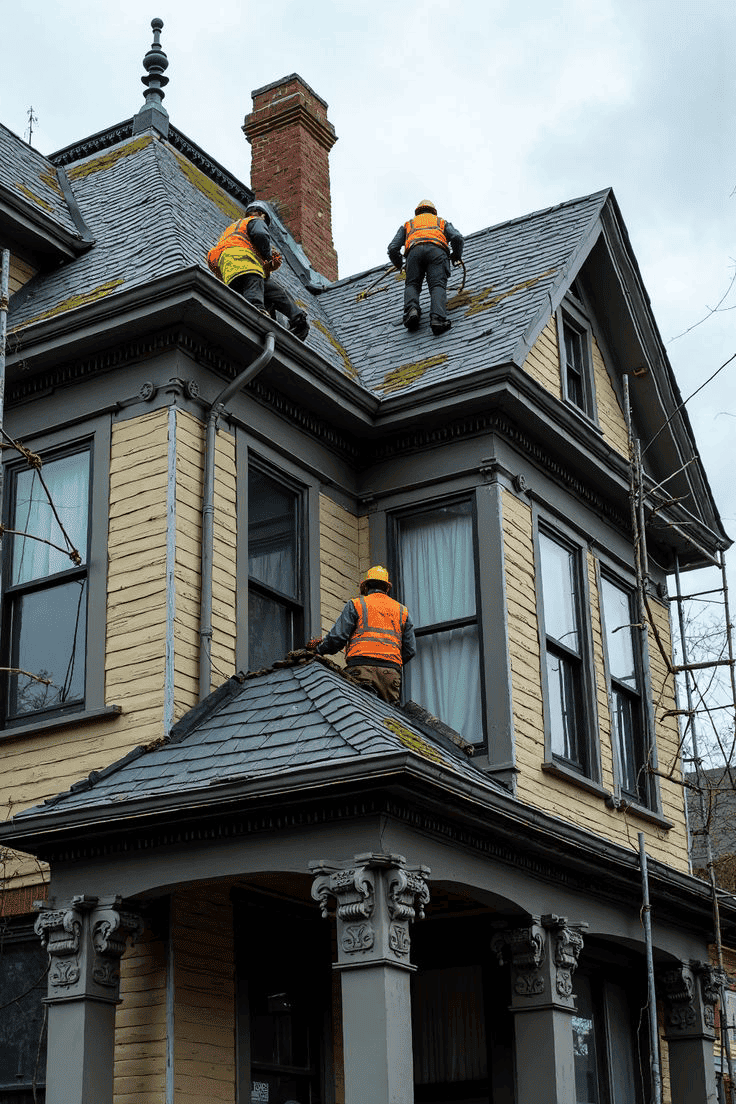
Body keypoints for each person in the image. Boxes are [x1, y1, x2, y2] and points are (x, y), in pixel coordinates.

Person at [309, 566, 416, 704]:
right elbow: (410, 649)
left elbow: (337, 638)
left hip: (361, 668)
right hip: (390, 674)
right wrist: (391, 662)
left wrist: (318, 649)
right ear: (387, 588)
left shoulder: (357, 604)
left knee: (358, 715)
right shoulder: (402, 611)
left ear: (365, 587)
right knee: (386, 719)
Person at [207, 202, 310, 340]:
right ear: (262, 215)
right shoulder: (255, 221)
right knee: (254, 286)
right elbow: (261, 234)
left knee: (274, 290)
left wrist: (224, 275)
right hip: (244, 262)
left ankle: (297, 318)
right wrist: (267, 255)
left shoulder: (231, 233)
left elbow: (212, 258)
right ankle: (256, 312)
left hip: (230, 271)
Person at [387, 199, 464, 336]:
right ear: (433, 212)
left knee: (412, 283)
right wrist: (456, 256)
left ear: (417, 212)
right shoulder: (441, 222)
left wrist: (400, 265)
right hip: (437, 252)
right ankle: (437, 320)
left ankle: (412, 311)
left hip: (414, 253)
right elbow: (457, 238)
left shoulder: (408, 224)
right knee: (437, 285)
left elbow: (393, 248)